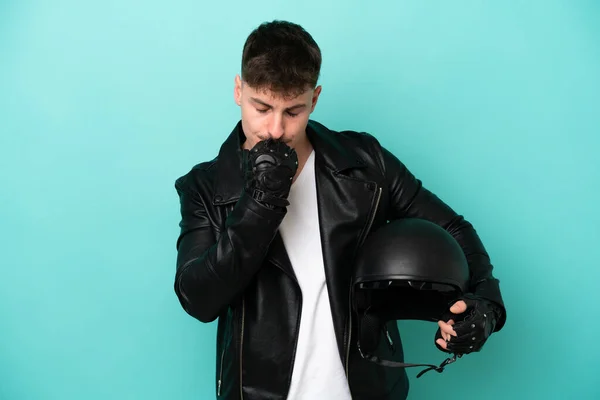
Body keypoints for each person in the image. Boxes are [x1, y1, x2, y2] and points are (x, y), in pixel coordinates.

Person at [173, 20, 506, 400]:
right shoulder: (205, 186)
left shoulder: (365, 162)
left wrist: (485, 304)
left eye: (293, 111)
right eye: (261, 108)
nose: (275, 130)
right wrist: (261, 203)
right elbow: (198, 298)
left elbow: (453, 229)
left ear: (314, 99)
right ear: (238, 90)